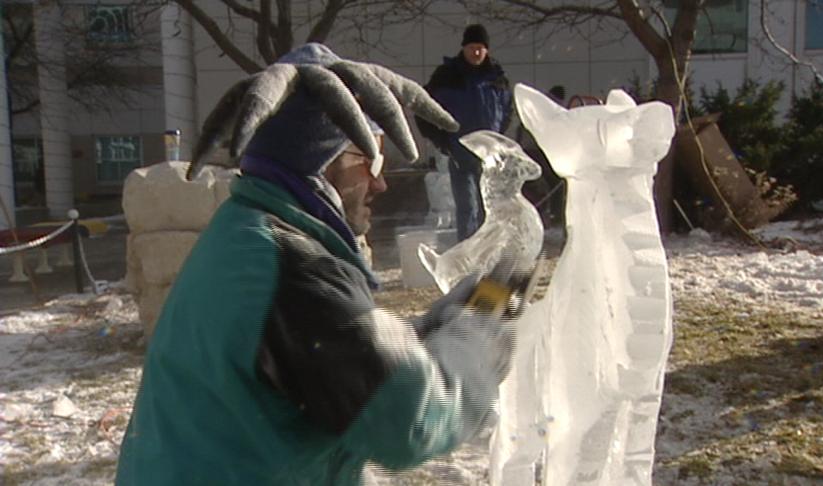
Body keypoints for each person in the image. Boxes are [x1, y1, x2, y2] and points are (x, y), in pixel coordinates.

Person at [116, 44, 515, 485]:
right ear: (317, 164)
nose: (380, 183)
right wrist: (480, 335)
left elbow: (343, 364)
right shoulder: (290, 267)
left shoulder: (246, 234)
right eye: (369, 159)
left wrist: (439, 327)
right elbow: (410, 421)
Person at [417, 23, 512, 241]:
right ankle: (469, 255)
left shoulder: (497, 77)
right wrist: (441, 140)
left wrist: (499, 137)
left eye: (480, 48)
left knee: (490, 208)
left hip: (489, 155)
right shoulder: (446, 76)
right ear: (463, 48)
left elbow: (508, 110)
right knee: (468, 208)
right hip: (460, 154)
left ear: (487, 50)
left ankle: (488, 253)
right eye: (472, 48)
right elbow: (422, 108)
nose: (476, 52)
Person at [516, 85, 567, 227]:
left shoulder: (537, 108)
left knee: (539, 186)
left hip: (529, 152)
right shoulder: (554, 112)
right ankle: (555, 216)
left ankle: (547, 216)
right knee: (554, 184)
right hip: (539, 153)